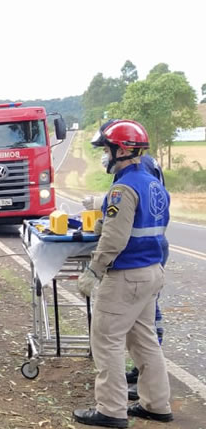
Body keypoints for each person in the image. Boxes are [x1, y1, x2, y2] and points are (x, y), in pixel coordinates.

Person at [74, 119, 173, 427]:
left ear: (120, 150)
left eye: (105, 149)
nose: (103, 155)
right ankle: (156, 404)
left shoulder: (123, 188)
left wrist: (94, 270)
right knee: (144, 341)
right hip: (150, 272)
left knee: (106, 341)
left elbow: (115, 239)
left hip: (126, 276)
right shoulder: (153, 182)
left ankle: (111, 410)